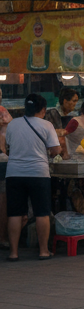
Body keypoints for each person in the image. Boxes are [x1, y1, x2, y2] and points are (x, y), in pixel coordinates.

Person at [5, 93, 61, 260]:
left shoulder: (13, 124)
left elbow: (9, 144)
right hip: (38, 174)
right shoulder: (47, 125)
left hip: (14, 173)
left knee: (14, 214)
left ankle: (13, 253)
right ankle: (43, 251)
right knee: (42, 213)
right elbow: (56, 150)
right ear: (43, 110)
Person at [45, 88, 79, 157]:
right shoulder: (52, 113)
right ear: (65, 101)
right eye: (74, 101)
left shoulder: (73, 116)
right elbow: (49, 134)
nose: (75, 104)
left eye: (76, 101)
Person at [0, 88, 12, 249]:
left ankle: (2, 236)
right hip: (3, 159)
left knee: (3, 201)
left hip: (3, 160)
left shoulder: (3, 111)